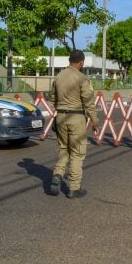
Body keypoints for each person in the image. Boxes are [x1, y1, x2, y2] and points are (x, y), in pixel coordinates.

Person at [49, 50, 99, 198]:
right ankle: (74, 188)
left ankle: (57, 174)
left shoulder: (59, 76)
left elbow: (53, 98)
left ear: (69, 60)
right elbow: (89, 103)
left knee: (64, 149)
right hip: (76, 118)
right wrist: (95, 121)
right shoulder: (82, 78)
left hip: (61, 117)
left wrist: (60, 109)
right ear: (81, 62)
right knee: (77, 153)